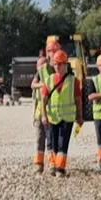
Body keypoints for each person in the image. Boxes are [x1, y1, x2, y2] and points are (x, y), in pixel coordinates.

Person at [39, 49, 83, 177]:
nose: (58, 66)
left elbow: (78, 100)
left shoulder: (73, 81)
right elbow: (43, 99)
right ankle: (53, 165)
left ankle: (60, 168)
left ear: (66, 64)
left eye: (60, 64)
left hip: (67, 118)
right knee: (52, 142)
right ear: (53, 65)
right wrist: (43, 114)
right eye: (56, 64)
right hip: (52, 117)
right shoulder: (48, 80)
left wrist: (79, 117)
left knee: (62, 143)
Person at [30, 40, 59, 172]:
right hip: (40, 111)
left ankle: (53, 163)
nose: (53, 54)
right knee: (40, 138)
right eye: (51, 52)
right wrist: (45, 85)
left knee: (51, 139)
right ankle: (39, 164)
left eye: (55, 51)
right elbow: (33, 85)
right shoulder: (42, 69)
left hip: (53, 111)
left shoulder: (62, 67)